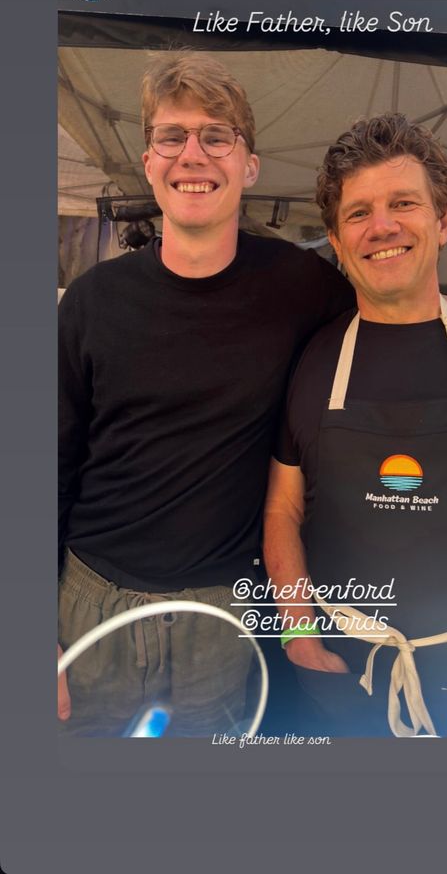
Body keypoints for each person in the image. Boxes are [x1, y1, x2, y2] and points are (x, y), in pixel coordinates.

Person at [58, 52, 354, 735]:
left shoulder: (301, 286)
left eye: (216, 136)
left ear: (248, 166)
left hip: (221, 617)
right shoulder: (92, 300)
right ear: (149, 161)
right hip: (89, 604)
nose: (194, 154)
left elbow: (384, 318)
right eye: (173, 136)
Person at [264, 113, 447, 738]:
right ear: (336, 237)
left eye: (403, 203)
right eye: (358, 213)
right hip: (341, 679)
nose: (382, 226)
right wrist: (298, 635)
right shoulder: (316, 357)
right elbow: (282, 511)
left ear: (444, 220)